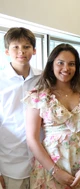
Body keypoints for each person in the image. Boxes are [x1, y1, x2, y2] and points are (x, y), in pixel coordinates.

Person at [23, 44, 80, 189]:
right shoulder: (39, 96)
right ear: (52, 64)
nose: (66, 68)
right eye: (60, 63)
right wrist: (55, 171)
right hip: (50, 165)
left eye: (71, 64)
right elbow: (32, 139)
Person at [0, 27, 39, 189]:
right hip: (9, 164)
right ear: (7, 51)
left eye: (26, 46)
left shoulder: (44, 78)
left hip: (41, 163)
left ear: (34, 50)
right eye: (15, 47)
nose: (21, 51)